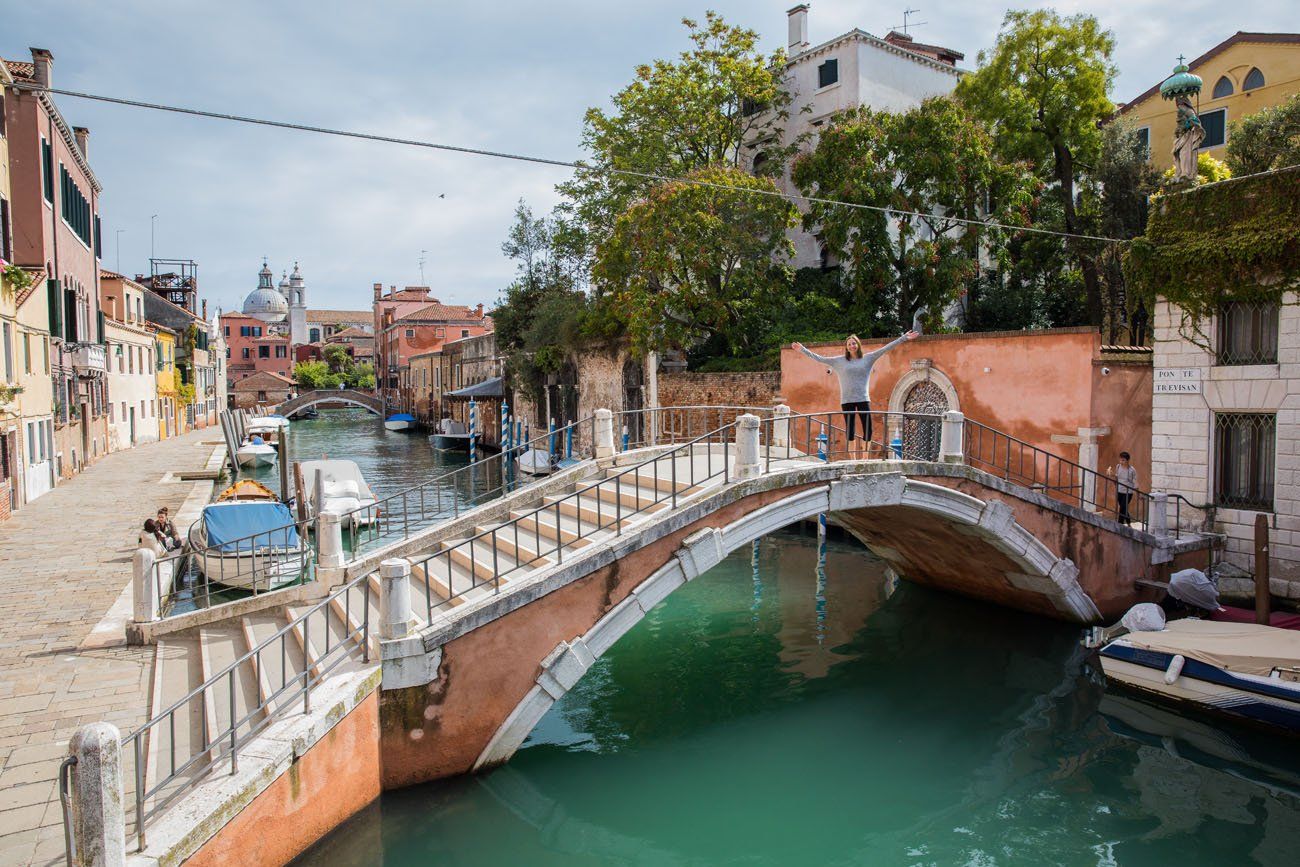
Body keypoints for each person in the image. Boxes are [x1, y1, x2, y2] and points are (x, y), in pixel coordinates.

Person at [793, 331, 919, 457]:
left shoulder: (868, 358)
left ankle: (864, 457)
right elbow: (819, 358)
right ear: (846, 347)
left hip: (863, 399)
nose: (852, 346)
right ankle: (852, 458)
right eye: (849, 344)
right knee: (850, 430)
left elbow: (886, 348)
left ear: (858, 345)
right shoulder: (839, 361)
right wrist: (803, 350)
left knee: (868, 429)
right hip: (847, 400)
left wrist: (903, 338)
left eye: (854, 343)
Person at [1107, 452, 1138, 525]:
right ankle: (1128, 522)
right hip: (1119, 490)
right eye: (1120, 460)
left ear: (1127, 460)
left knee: (1122, 508)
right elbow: (1117, 476)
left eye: (1123, 460)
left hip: (1128, 492)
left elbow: (1135, 481)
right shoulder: (1118, 466)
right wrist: (1112, 475)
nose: (1121, 462)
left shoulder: (1132, 470)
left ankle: (1119, 524)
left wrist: (1137, 491)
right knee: (1124, 508)